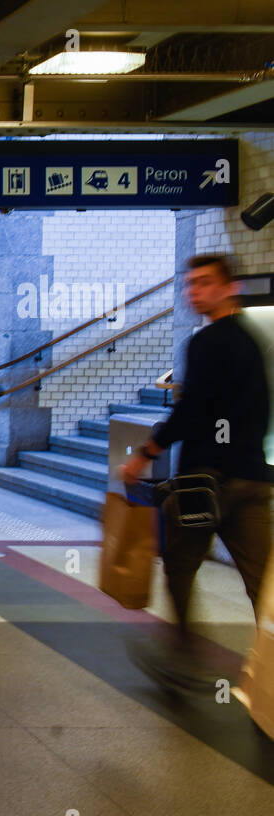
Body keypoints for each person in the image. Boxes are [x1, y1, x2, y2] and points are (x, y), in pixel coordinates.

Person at [120, 254, 273, 690]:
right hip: (252, 480)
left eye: (204, 283)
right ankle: (268, 669)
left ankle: (183, 658)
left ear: (230, 288)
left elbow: (192, 411)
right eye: (190, 284)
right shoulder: (251, 340)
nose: (194, 292)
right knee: (261, 582)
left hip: (206, 482)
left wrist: (145, 452)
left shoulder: (206, 342)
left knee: (180, 563)